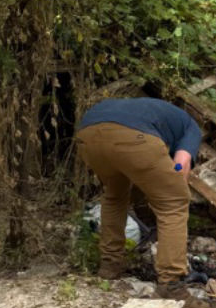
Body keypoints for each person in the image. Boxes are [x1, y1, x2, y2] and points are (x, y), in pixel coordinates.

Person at [75, 96, 202, 288]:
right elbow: (179, 165)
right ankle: (171, 282)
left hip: (88, 135)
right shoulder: (191, 128)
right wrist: (173, 179)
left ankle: (110, 265)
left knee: (114, 196)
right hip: (134, 138)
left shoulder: (154, 112)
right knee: (174, 202)